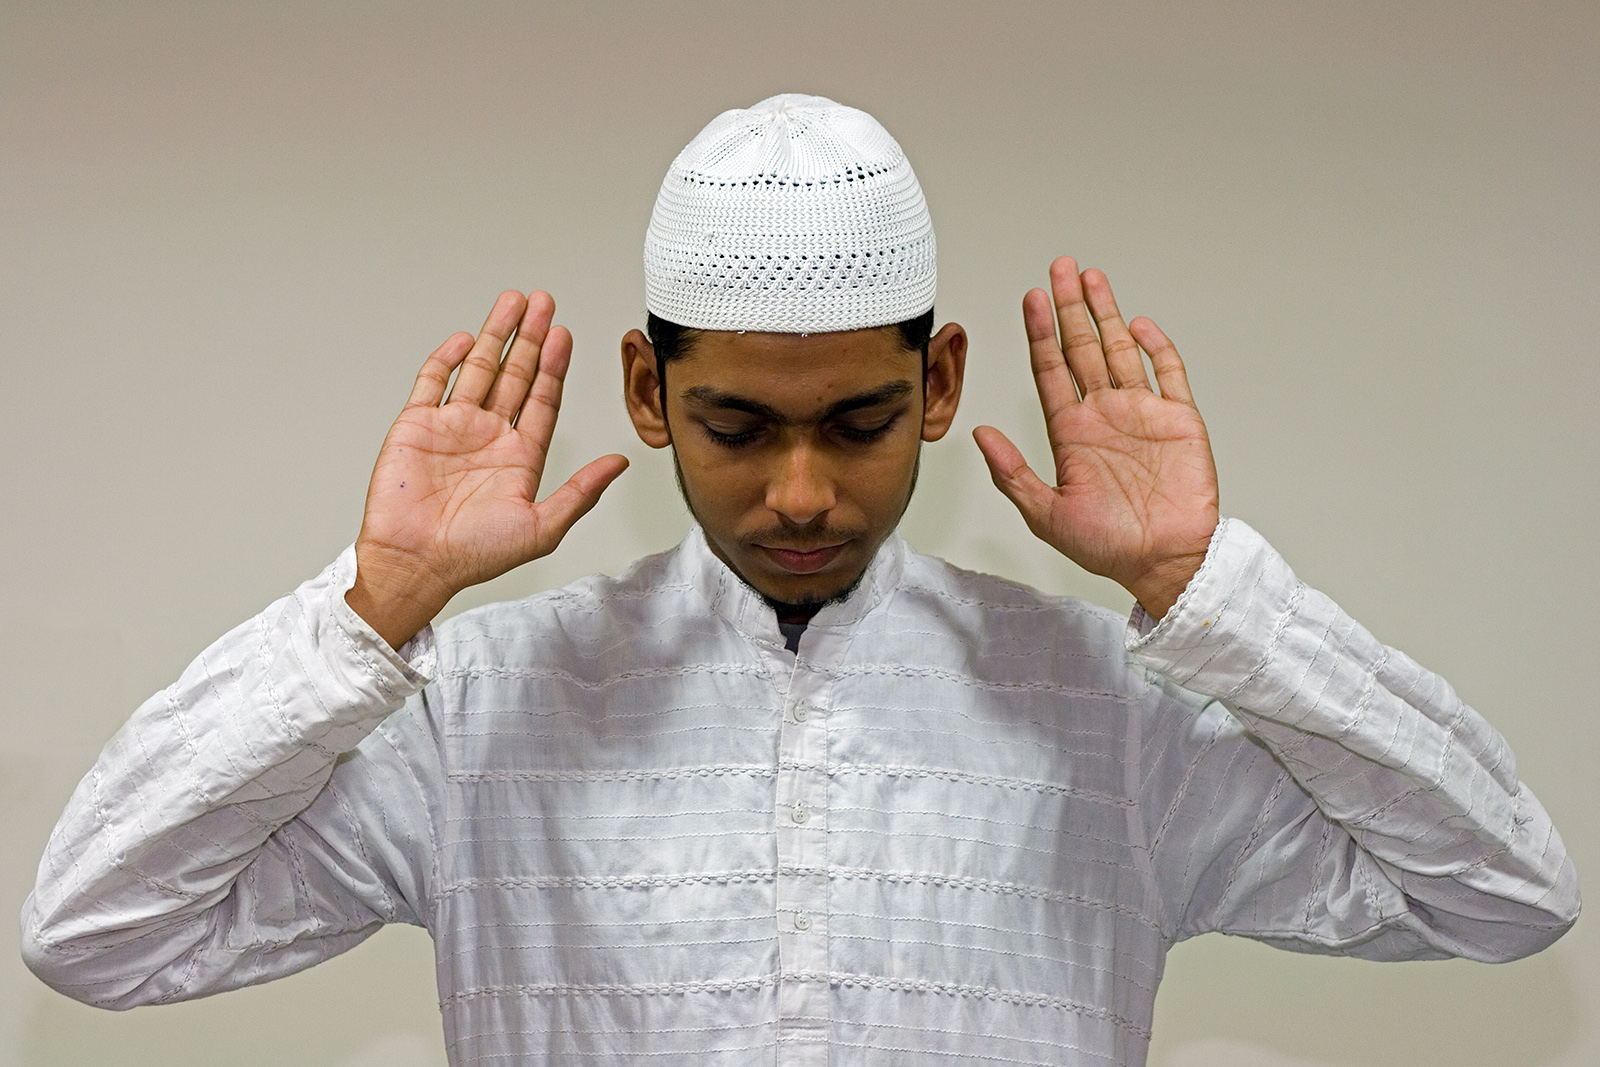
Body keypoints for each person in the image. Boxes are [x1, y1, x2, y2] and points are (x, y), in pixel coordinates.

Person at [21, 94, 1578, 1067]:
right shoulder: (475, 712)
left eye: (859, 422)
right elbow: (96, 935)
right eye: (735, 426)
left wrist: (1213, 595)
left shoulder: (1113, 714)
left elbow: (1506, 898)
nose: (802, 493)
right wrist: (370, 613)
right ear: (647, 393)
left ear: (941, 380)